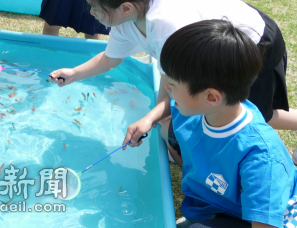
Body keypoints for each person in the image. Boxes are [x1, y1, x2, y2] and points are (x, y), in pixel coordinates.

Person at [50, 0, 295, 139]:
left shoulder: (165, 24)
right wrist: (74, 73)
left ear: (125, 7)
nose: (91, 13)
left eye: (95, 7)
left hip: (254, 39)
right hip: (215, 45)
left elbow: (173, 82)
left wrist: (153, 116)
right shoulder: (127, 19)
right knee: (209, 106)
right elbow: (109, 58)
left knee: (252, 112)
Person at [123, 20, 297, 228]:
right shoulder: (202, 107)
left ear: (211, 97)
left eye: (173, 84)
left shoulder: (260, 158)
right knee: (166, 131)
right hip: (218, 204)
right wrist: (148, 119)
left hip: (253, 218)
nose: (166, 88)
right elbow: (171, 106)